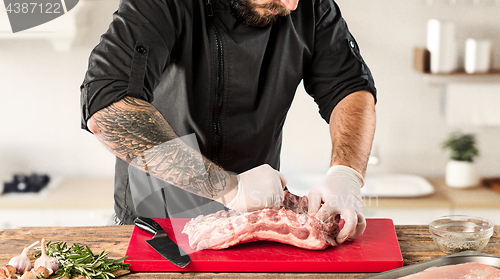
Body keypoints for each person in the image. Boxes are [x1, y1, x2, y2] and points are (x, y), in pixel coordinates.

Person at [80, 0, 376, 243]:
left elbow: (349, 88)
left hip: (257, 220)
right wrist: (229, 189)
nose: (291, 5)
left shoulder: (311, 7)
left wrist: (346, 173)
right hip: (158, 224)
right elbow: (109, 108)